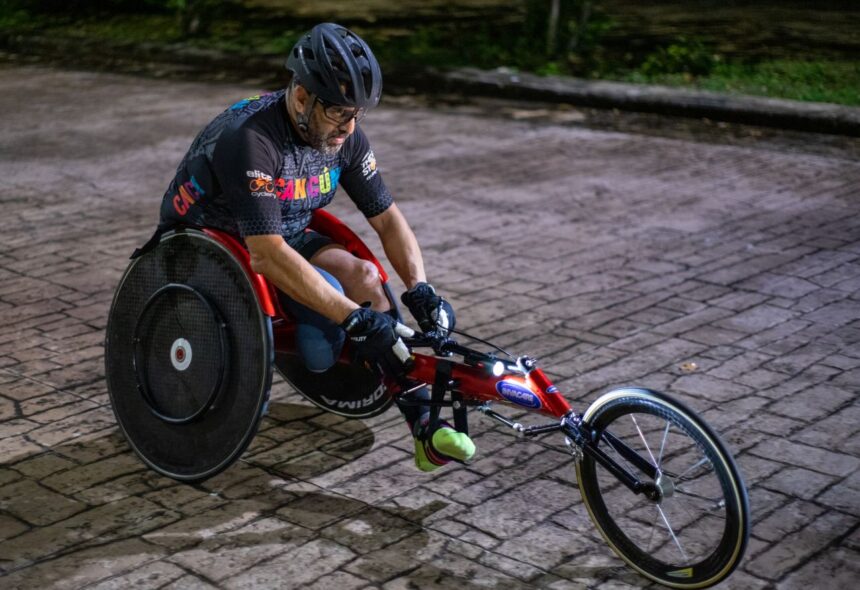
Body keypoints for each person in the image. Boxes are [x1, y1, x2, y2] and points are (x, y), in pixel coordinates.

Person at [157, 22, 474, 472]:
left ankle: (424, 426)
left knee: (365, 277)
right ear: (302, 97)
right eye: (340, 113)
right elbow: (265, 253)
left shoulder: (344, 134)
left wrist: (420, 288)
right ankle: (350, 348)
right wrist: (350, 316)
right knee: (330, 307)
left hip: (287, 230)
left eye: (358, 115)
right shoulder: (251, 141)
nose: (349, 127)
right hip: (215, 245)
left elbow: (387, 218)